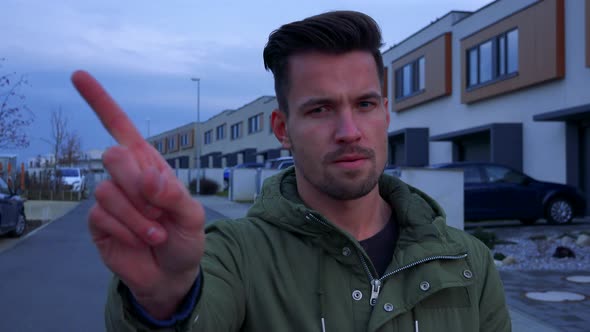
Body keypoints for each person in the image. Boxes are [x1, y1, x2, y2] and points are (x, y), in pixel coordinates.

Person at [72, 11, 511, 332]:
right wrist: (165, 304)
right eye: (320, 109)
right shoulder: (234, 256)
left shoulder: (467, 261)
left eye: (364, 104)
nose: (348, 131)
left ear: (385, 114)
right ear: (282, 129)